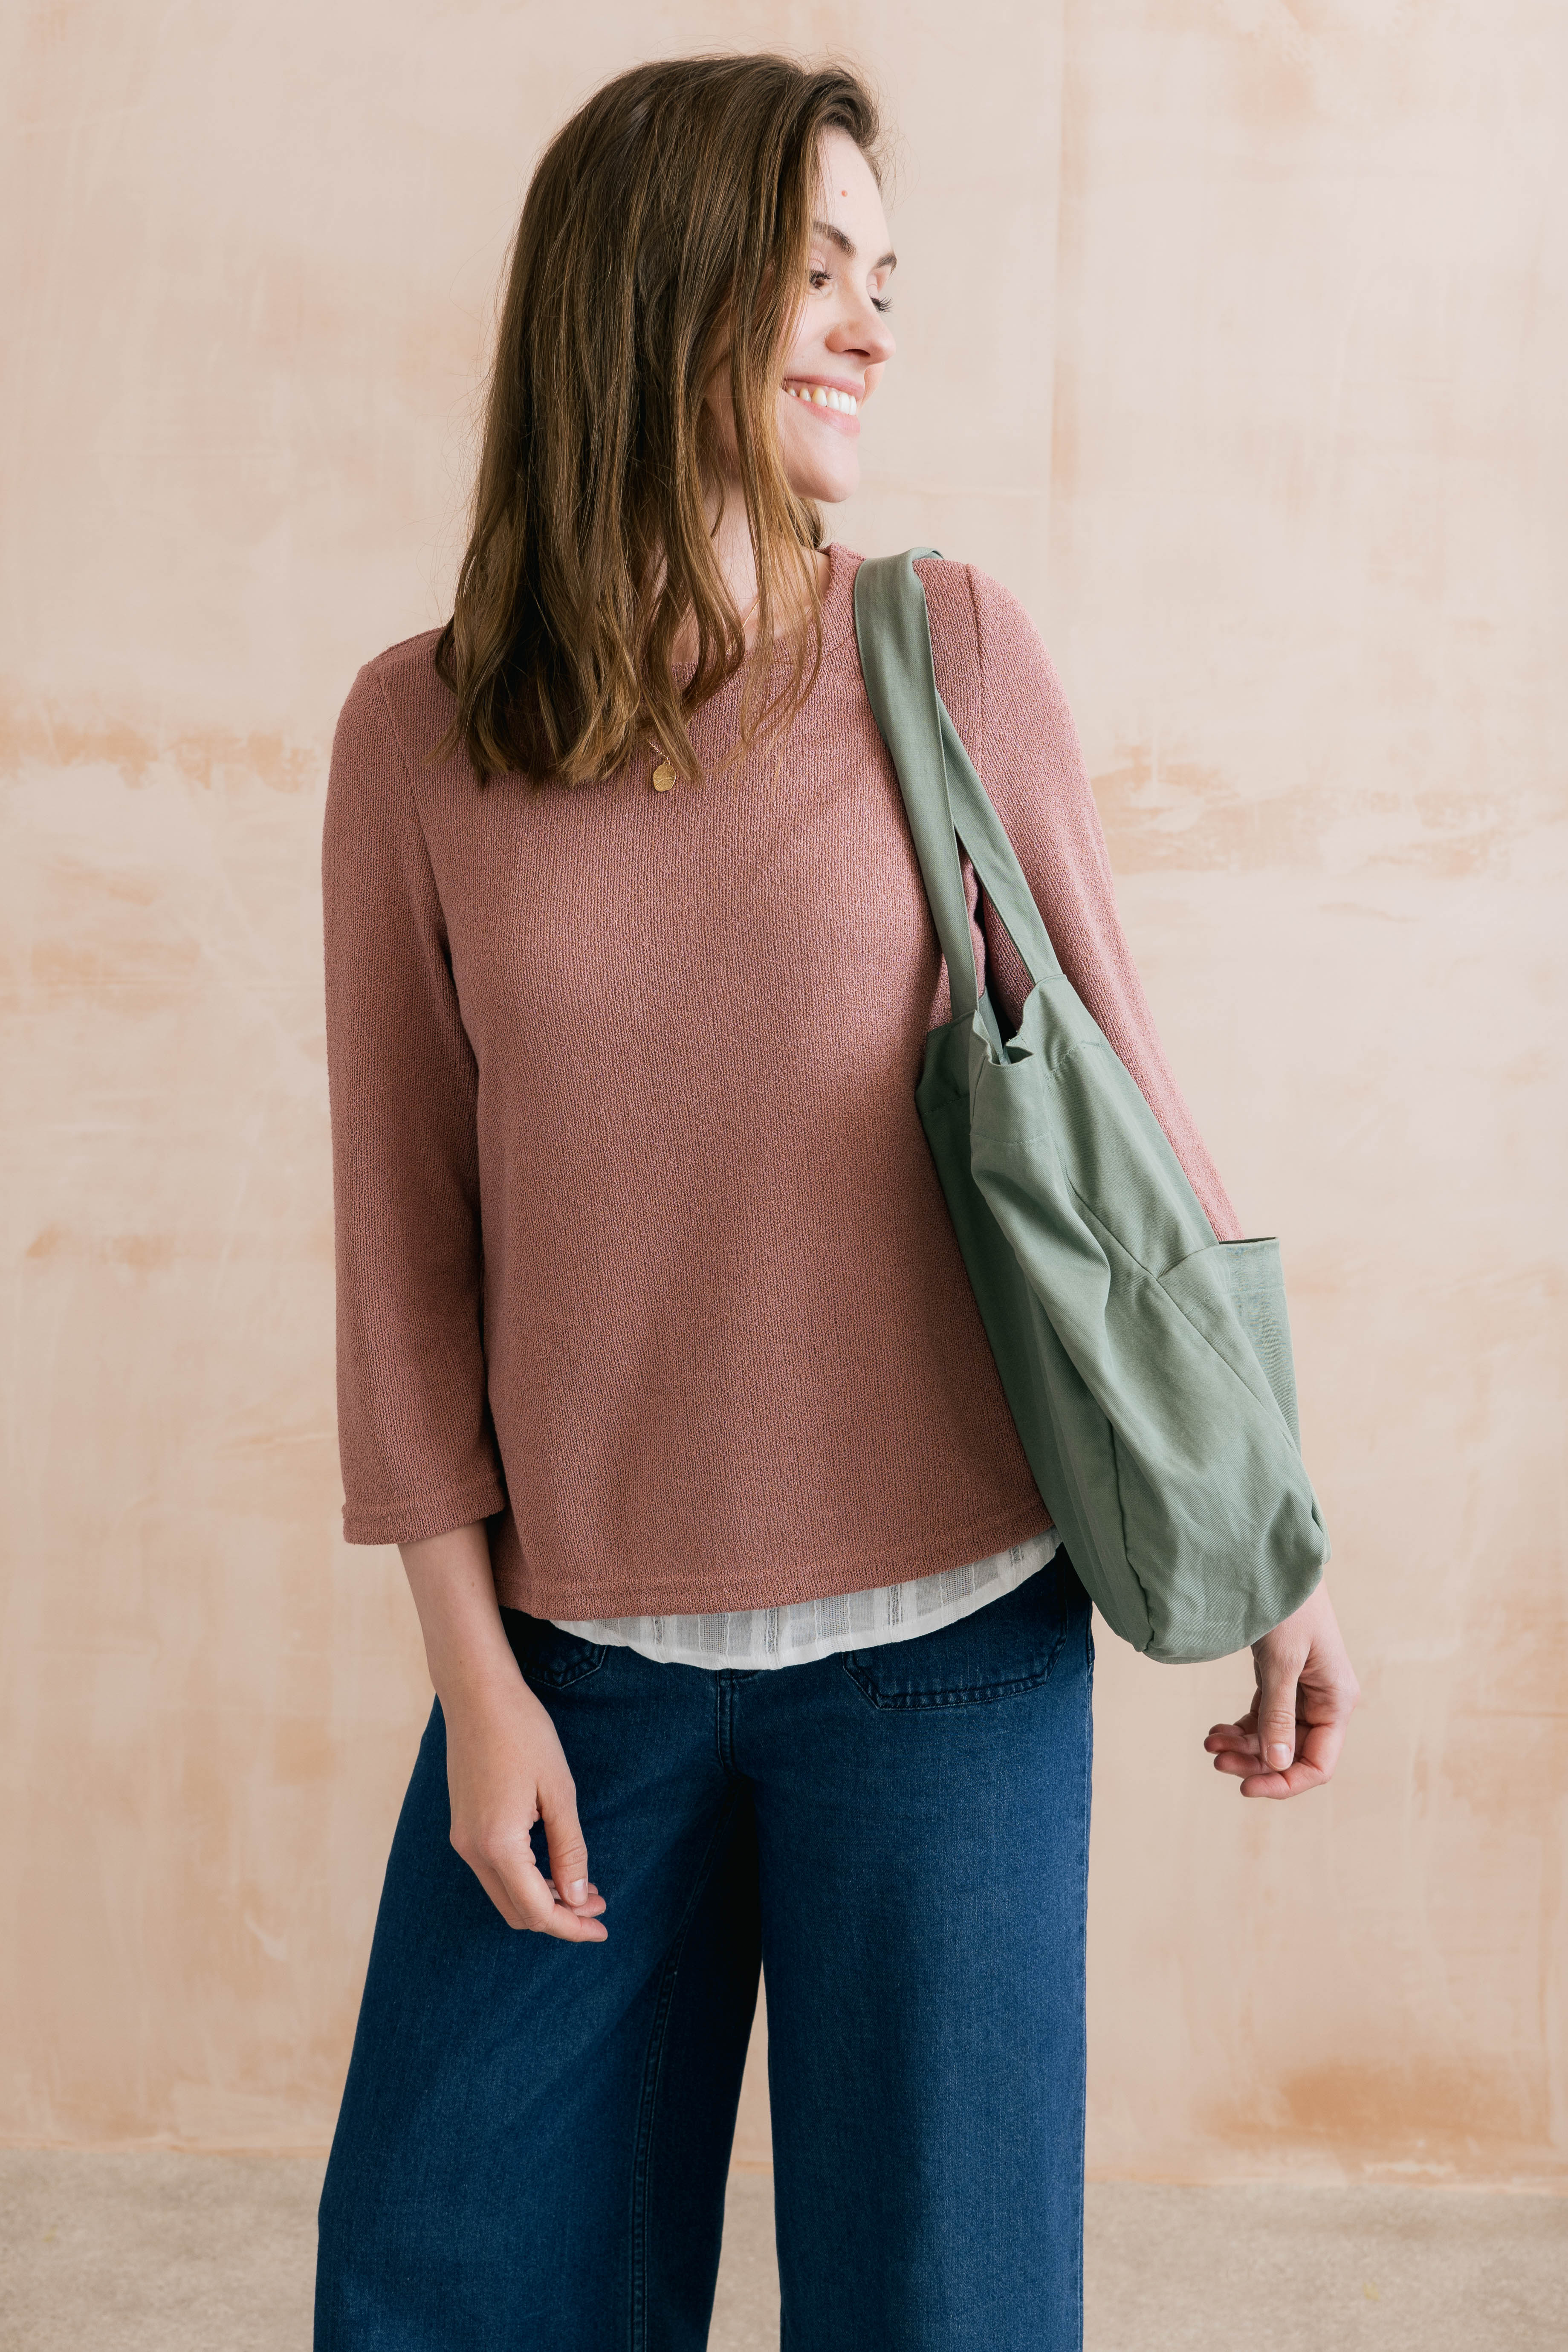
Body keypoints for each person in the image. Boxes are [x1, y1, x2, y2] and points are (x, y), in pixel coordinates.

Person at [313, 52, 1360, 2352]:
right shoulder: (419, 735)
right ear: (650, 290)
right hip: (581, 1676)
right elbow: (403, 1261)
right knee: (449, 2288)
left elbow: (1126, 1101)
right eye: (817, 273)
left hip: (952, 1668)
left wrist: (1270, 1540)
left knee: (943, 2317)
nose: (875, 325)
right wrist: (474, 1683)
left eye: (889, 278)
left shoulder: (944, 652)